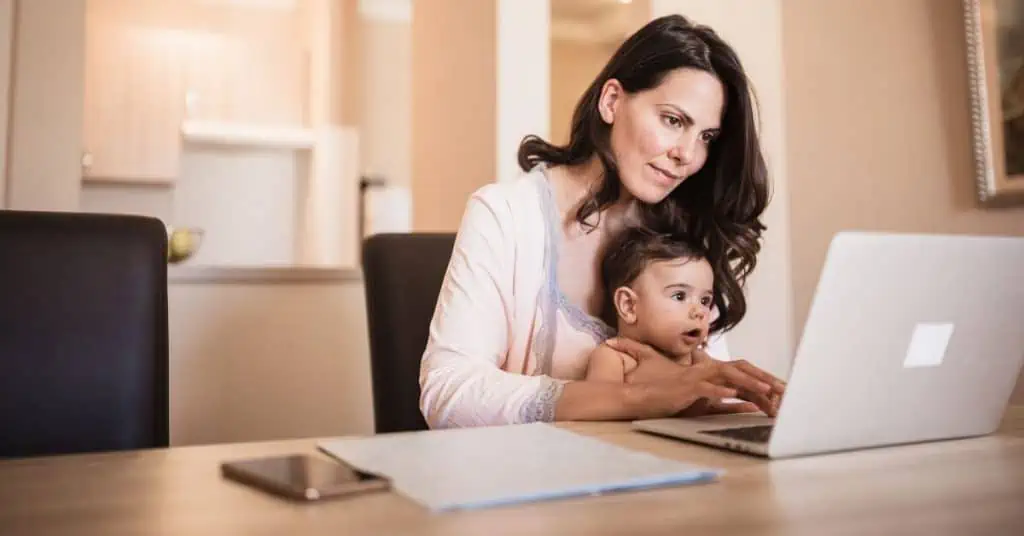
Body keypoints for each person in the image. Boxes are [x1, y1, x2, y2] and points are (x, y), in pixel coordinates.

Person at [419, 14, 786, 429]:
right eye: (673, 120)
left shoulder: (682, 236)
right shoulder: (504, 214)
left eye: (706, 137)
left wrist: (733, 394)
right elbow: (447, 394)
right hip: (526, 483)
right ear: (611, 101)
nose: (688, 154)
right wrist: (635, 397)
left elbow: (699, 385)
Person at [584, 227, 779, 416]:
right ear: (629, 306)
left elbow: (710, 400)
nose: (700, 312)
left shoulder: (699, 360)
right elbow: (596, 409)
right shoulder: (615, 358)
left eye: (705, 300)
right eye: (679, 296)